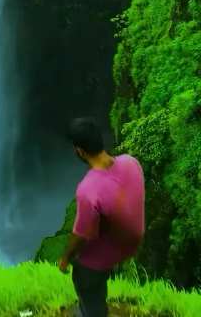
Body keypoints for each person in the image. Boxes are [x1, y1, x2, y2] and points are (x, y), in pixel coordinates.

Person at [59, 117, 145, 317]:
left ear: (79, 151)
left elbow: (81, 235)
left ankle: (93, 311)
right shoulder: (131, 163)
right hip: (132, 243)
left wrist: (65, 259)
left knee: (82, 275)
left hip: (109, 253)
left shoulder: (88, 190)